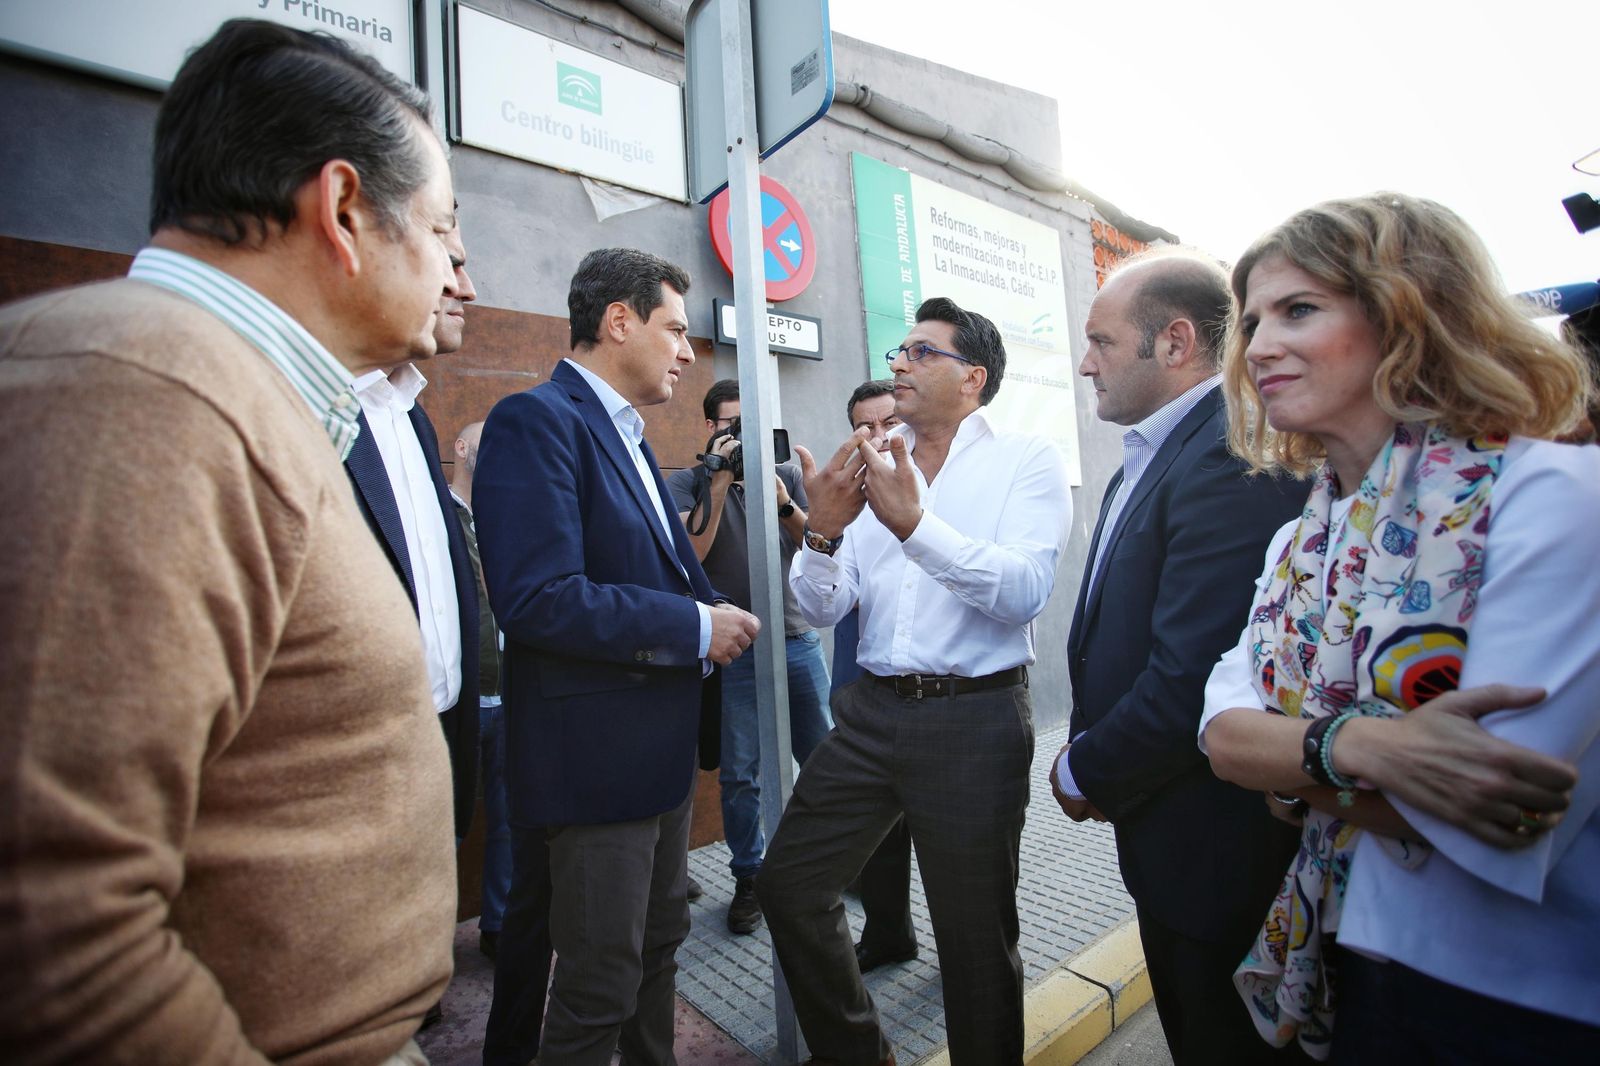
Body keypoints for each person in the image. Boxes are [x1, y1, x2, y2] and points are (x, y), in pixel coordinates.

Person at [0, 18, 459, 1064]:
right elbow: (55, 930)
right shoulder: (148, 394)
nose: (452, 272)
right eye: (439, 230)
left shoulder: (214, 389)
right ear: (343, 209)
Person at [1199, 192, 1600, 1063]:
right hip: (1356, 966)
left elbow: (1486, 815)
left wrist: (1287, 764)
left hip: (1526, 1005)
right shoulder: (1300, 540)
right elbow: (1220, 737)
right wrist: (1365, 750)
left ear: (1410, 310)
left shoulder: (1554, 499)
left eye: (1298, 309)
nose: (1259, 345)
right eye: (1253, 319)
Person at [758, 297, 1072, 1065]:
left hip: (975, 719)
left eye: (921, 352)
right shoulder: (871, 457)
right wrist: (824, 531)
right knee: (791, 888)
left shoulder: (1026, 460)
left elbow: (1023, 592)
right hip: (869, 716)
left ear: (974, 376)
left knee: (974, 947)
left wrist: (913, 525)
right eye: (901, 350)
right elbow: (820, 605)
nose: (899, 362)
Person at [474, 247, 761, 1066]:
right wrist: (693, 627)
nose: (686, 351)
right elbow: (539, 598)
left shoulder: (628, 434)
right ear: (618, 320)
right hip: (595, 772)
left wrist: (707, 610)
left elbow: (648, 571)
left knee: (656, 953)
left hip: (657, 762)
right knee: (599, 984)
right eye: (674, 329)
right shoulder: (538, 420)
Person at [1047, 250, 1307, 1065]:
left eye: (1101, 341)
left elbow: (1189, 675)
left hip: (1216, 857)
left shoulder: (1229, 456)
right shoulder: (1163, 449)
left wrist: (1081, 769)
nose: (1085, 363)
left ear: (1176, 341)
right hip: (1169, 844)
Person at [666, 379, 833, 934]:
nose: (738, 436)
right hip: (736, 649)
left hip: (796, 636)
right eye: (729, 426)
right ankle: (750, 876)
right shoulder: (689, 483)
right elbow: (689, 558)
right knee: (741, 775)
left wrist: (782, 500)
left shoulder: (785, 475)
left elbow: (821, 544)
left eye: (748, 427)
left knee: (825, 760)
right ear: (711, 428)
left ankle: (825, 865)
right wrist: (717, 480)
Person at [345, 218, 480, 846]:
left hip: (445, 742)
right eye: (449, 263)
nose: (468, 289)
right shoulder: (304, 412)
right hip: (355, 782)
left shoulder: (412, 415)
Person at [830, 380, 919, 974]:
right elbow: (826, 592)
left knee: (947, 843)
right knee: (880, 837)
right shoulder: (848, 499)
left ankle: (970, 953)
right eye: (866, 426)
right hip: (862, 684)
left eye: (889, 421)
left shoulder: (934, 490)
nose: (879, 436)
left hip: (938, 704)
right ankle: (889, 934)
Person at [447, 420, 514, 964]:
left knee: (510, 822)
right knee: (442, 829)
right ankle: (422, 958)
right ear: (461, 448)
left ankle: (500, 927)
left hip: (510, 696)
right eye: (485, 440)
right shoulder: (437, 515)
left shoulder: (505, 520)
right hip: (457, 704)